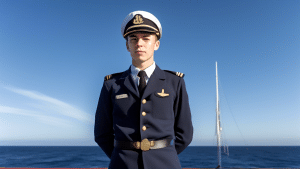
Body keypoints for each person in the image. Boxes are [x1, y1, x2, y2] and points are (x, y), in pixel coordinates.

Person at [94, 10, 193, 169]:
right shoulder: (111, 84)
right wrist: (122, 156)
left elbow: (185, 133)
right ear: (127, 46)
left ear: (156, 44)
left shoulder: (175, 82)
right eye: (133, 39)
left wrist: (164, 154)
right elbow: (101, 134)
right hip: (122, 164)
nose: (139, 43)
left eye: (146, 39)